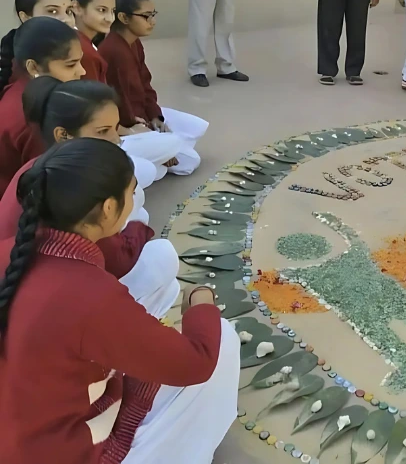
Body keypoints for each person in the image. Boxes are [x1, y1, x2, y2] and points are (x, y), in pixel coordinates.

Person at [0, 138, 240, 464]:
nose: (134, 199)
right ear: (109, 207)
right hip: (54, 450)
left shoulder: (16, 252)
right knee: (221, 342)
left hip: (18, 431)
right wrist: (201, 305)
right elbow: (193, 363)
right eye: (132, 190)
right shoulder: (87, 294)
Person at [0, 77, 176, 317]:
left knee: (139, 202)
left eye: (115, 129)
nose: (116, 140)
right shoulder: (79, 186)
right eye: (103, 131)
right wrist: (138, 230)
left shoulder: (46, 165)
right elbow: (117, 260)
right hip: (52, 303)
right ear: (63, 135)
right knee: (164, 254)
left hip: (31, 286)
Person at [100, 0, 206, 178]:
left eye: (153, 15)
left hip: (143, 116)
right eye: (146, 16)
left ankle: (162, 148)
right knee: (189, 162)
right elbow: (119, 102)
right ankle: (154, 154)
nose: (153, 21)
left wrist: (155, 116)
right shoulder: (113, 50)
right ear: (124, 17)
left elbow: (145, 84)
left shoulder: (134, 43)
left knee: (196, 127)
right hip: (126, 126)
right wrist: (147, 132)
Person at [0, 18, 85, 195]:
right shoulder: (35, 114)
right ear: (33, 67)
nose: (82, 71)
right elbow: (46, 186)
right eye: (71, 65)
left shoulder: (19, 89)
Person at [70, 0, 113, 82]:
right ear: (77, 8)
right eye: (102, 10)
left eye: (113, 11)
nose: (110, 18)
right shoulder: (83, 52)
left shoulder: (82, 42)